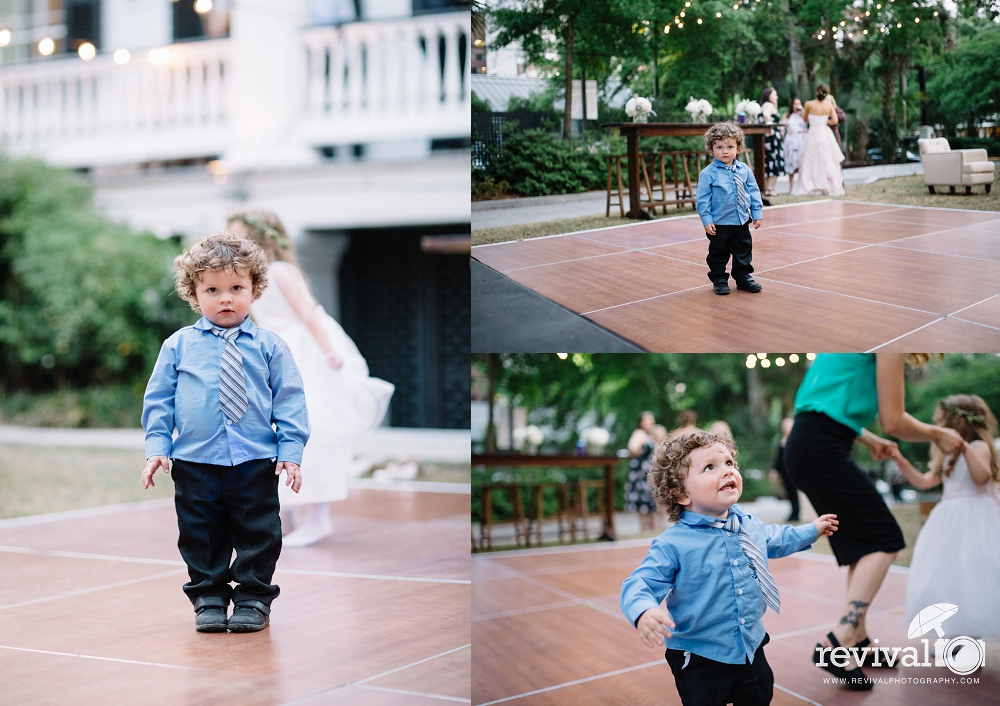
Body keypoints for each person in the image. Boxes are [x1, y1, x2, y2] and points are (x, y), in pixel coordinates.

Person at [141, 233, 310, 633]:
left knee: (259, 533)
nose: (226, 298)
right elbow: (159, 400)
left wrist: (291, 449)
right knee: (201, 535)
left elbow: (289, 401)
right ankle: (209, 598)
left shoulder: (270, 347)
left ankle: (253, 598)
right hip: (195, 461)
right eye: (212, 290)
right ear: (194, 293)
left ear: (255, 290)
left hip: (254, 461)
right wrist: (157, 447)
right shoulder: (178, 346)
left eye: (237, 288)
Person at [783, 353, 964, 689]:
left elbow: (823, 406)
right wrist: (938, 433)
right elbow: (895, 421)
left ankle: (858, 641)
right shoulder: (891, 342)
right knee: (885, 538)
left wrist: (869, 438)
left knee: (863, 542)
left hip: (809, 444)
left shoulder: (849, 344)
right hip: (821, 447)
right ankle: (837, 641)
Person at [621, 428, 838, 706]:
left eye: (729, 463)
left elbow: (776, 538)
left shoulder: (748, 524)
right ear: (681, 494)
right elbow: (640, 584)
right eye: (710, 467)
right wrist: (644, 610)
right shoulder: (672, 544)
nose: (727, 471)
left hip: (750, 644)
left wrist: (812, 530)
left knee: (760, 695)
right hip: (700, 657)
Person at [228, 211, 394, 548]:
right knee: (272, 434)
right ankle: (285, 517)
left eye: (237, 236)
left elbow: (308, 314)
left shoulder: (281, 273)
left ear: (258, 238)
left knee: (313, 432)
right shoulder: (250, 278)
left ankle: (318, 519)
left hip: (305, 356)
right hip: (274, 356)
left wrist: (329, 352)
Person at [894, 395, 1000, 641]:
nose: (936, 426)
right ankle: (953, 632)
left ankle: (971, 633)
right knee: (947, 576)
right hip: (948, 520)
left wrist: (963, 446)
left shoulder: (978, 448)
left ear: (956, 423)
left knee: (973, 574)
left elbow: (981, 477)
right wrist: (900, 460)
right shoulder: (948, 456)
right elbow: (923, 481)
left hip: (977, 519)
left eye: (940, 421)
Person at [696, 122, 764, 296]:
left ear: (738, 147)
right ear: (712, 149)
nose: (725, 151)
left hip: (741, 219)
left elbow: (754, 192)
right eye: (719, 147)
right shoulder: (708, 174)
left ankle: (743, 277)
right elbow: (702, 200)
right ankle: (719, 279)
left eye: (730, 146)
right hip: (719, 223)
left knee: (743, 250)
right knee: (718, 253)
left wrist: (756, 213)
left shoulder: (744, 170)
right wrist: (707, 220)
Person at [791, 84, 845, 196]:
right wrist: (824, 122)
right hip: (824, 133)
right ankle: (828, 185)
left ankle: (811, 185)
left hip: (813, 133)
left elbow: (805, 119)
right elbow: (834, 121)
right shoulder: (829, 106)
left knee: (810, 158)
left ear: (816, 92)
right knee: (826, 158)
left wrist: (815, 122)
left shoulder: (809, 104)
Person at [625, 411, 658, 532]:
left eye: (651, 420)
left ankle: (652, 525)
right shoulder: (639, 433)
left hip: (649, 471)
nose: (650, 423)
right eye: (647, 420)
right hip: (640, 471)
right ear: (640, 422)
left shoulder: (649, 434)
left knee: (650, 496)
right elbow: (632, 448)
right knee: (641, 497)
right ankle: (644, 526)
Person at [770, 418, 799, 522]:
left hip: (794, 471)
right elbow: (778, 459)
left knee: (795, 492)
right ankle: (793, 511)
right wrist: (775, 470)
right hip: (784, 472)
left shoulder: (796, 440)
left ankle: (796, 513)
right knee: (789, 492)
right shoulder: (782, 441)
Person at [758, 88, 784, 197]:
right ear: (768, 96)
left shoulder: (764, 105)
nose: (776, 97)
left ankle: (768, 188)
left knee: (769, 161)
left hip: (768, 138)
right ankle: (769, 188)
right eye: (775, 95)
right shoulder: (768, 105)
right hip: (772, 139)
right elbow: (766, 115)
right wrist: (771, 128)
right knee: (774, 160)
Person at [782, 98, 807, 194]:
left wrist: (803, 112)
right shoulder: (787, 116)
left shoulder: (803, 115)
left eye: (799, 103)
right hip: (791, 141)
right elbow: (783, 128)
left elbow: (807, 122)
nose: (797, 105)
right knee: (791, 163)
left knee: (802, 162)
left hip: (802, 139)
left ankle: (801, 185)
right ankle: (791, 185)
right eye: (795, 103)